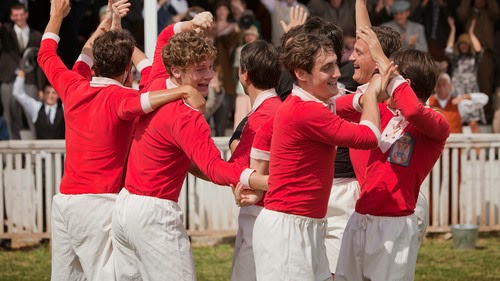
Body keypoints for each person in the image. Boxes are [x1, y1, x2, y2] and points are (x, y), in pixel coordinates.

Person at [38, 1, 206, 280]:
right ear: (128, 69)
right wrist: (184, 90)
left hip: (64, 203)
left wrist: (61, 16)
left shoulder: (73, 85)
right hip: (98, 203)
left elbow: (50, 55)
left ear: (96, 67)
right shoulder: (121, 99)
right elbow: (149, 95)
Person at [111, 30, 268, 281]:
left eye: (210, 67)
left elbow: (162, 39)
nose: (208, 76)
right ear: (176, 70)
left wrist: (191, 24)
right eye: (199, 69)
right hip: (154, 214)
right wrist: (268, 181)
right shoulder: (187, 117)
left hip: (124, 208)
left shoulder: (157, 82)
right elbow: (215, 168)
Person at [250, 29, 389, 280]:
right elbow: (369, 137)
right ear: (301, 74)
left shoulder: (307, 103)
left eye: (336, 63)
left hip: (303, 224)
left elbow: (343, 104)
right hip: (288, 230)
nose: (337, 73)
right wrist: (369, 95)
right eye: (327, 68)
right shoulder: (306, 111)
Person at [334, 26, 450, 281]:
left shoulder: (436, 124)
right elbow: (335, 107)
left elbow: (414, 112)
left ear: (403, 84)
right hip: (361, 216)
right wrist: (369, 94)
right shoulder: (383, 110)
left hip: (394, 225)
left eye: (387, 75)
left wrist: (389, 72)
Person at [230, 40, 281, 281]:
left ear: (245, 74)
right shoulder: (275, 108)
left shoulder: (263, 116)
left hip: (261, 214)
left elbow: (238, 170)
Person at [0, 2, 45, 139]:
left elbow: (40, 64)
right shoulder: (5, 32)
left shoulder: (37, 36)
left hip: (30, 81)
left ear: (26, 14)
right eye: (15, 15)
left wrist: (41, 87)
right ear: (11, 17)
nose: (19, 18)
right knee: (9, 118)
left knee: (34, 116)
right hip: (9, 80)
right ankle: (14, 154)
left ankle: (37, 152)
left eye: (21, 14)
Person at [13, 70, 64, 139]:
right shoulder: (36, 108)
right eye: (48, 92)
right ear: (43, 95)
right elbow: (18, 94)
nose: (51, 96)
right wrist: (22, 73)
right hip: (41, 149)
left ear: (58, 95)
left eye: (54, 93)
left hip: (60, 149)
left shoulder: (64, 109)